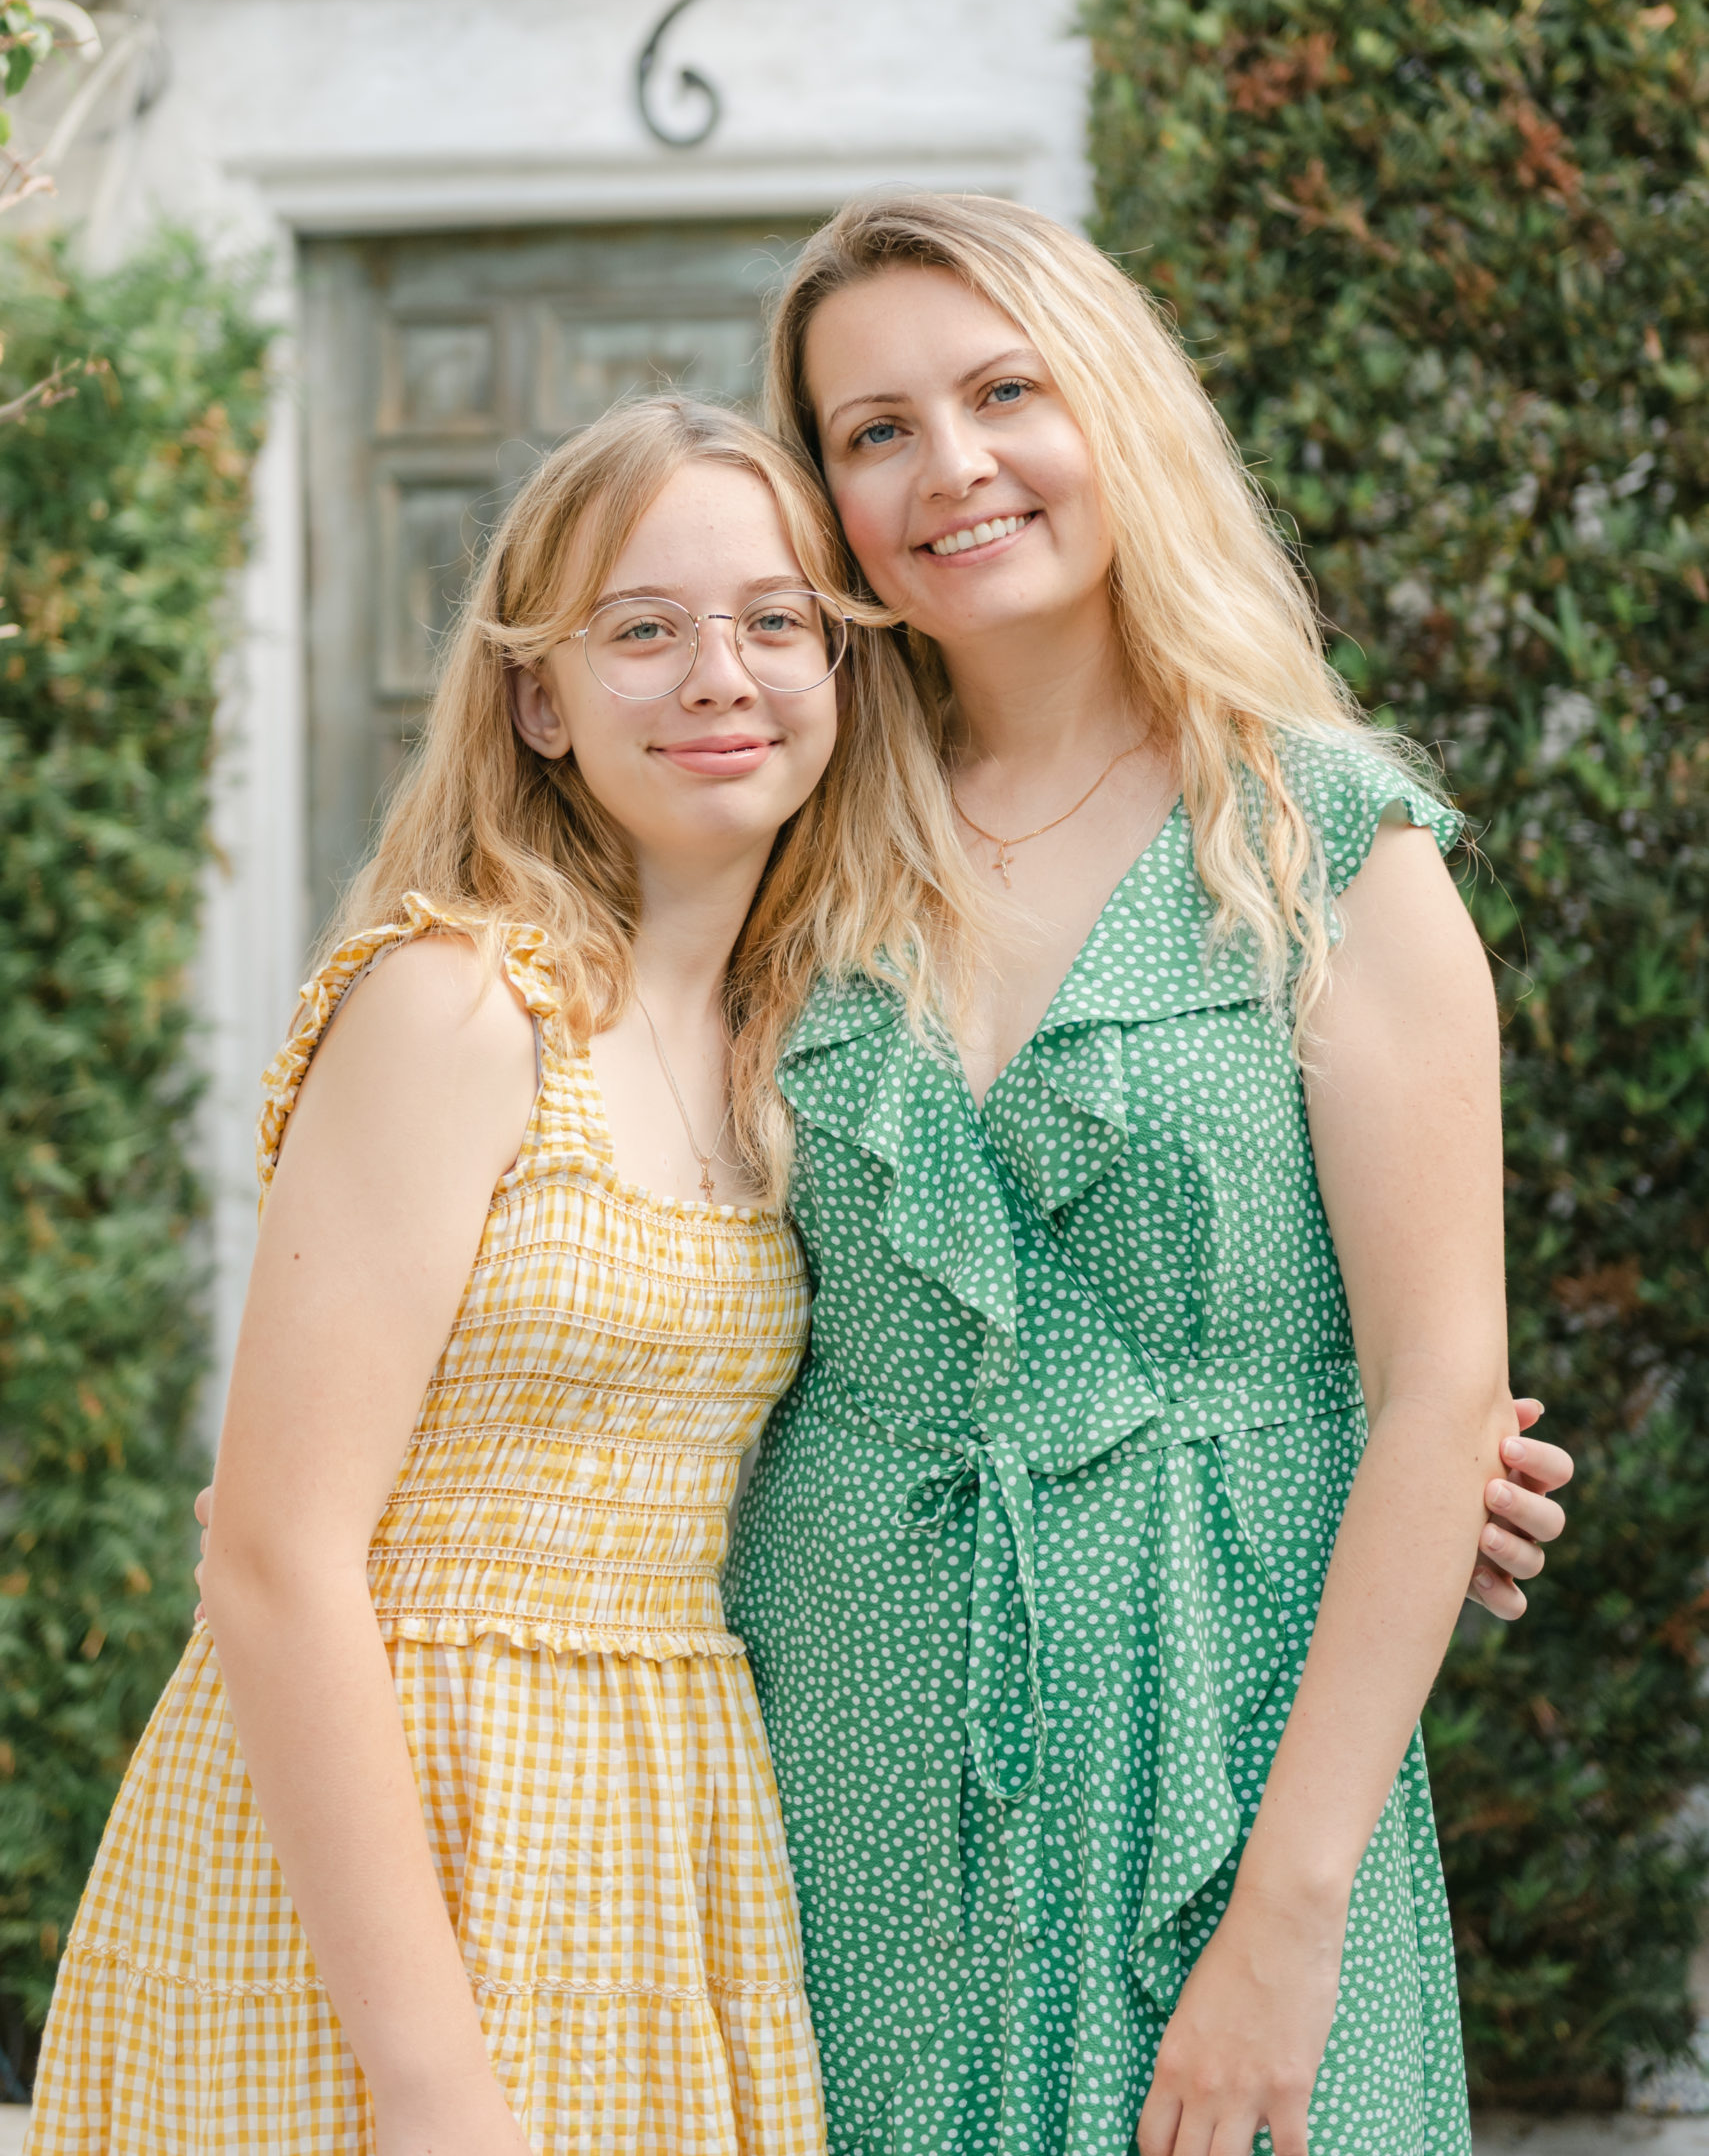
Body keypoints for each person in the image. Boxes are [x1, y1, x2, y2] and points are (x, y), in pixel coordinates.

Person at [25, 398, 985, 2156]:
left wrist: (1404, 1453)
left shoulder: (805, 1048)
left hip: (660, 1837)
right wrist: (432, 2079)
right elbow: (269, 1558)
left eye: (777, 622)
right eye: (644, 629)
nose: (721, 675)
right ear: (538, 697)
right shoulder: (463, 1004)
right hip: (384, 1858)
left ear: (843, 674)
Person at [721, 191, 1574, 2156]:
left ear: (1112, 406)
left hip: (1233, 1747)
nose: (953, 465)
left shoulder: (1325, 847)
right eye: (873, 429)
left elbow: (1438, 1385)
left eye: (1004, 389)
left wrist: (1294, 1916)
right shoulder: (789, 848)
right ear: (827, 498)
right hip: (847, 1764)